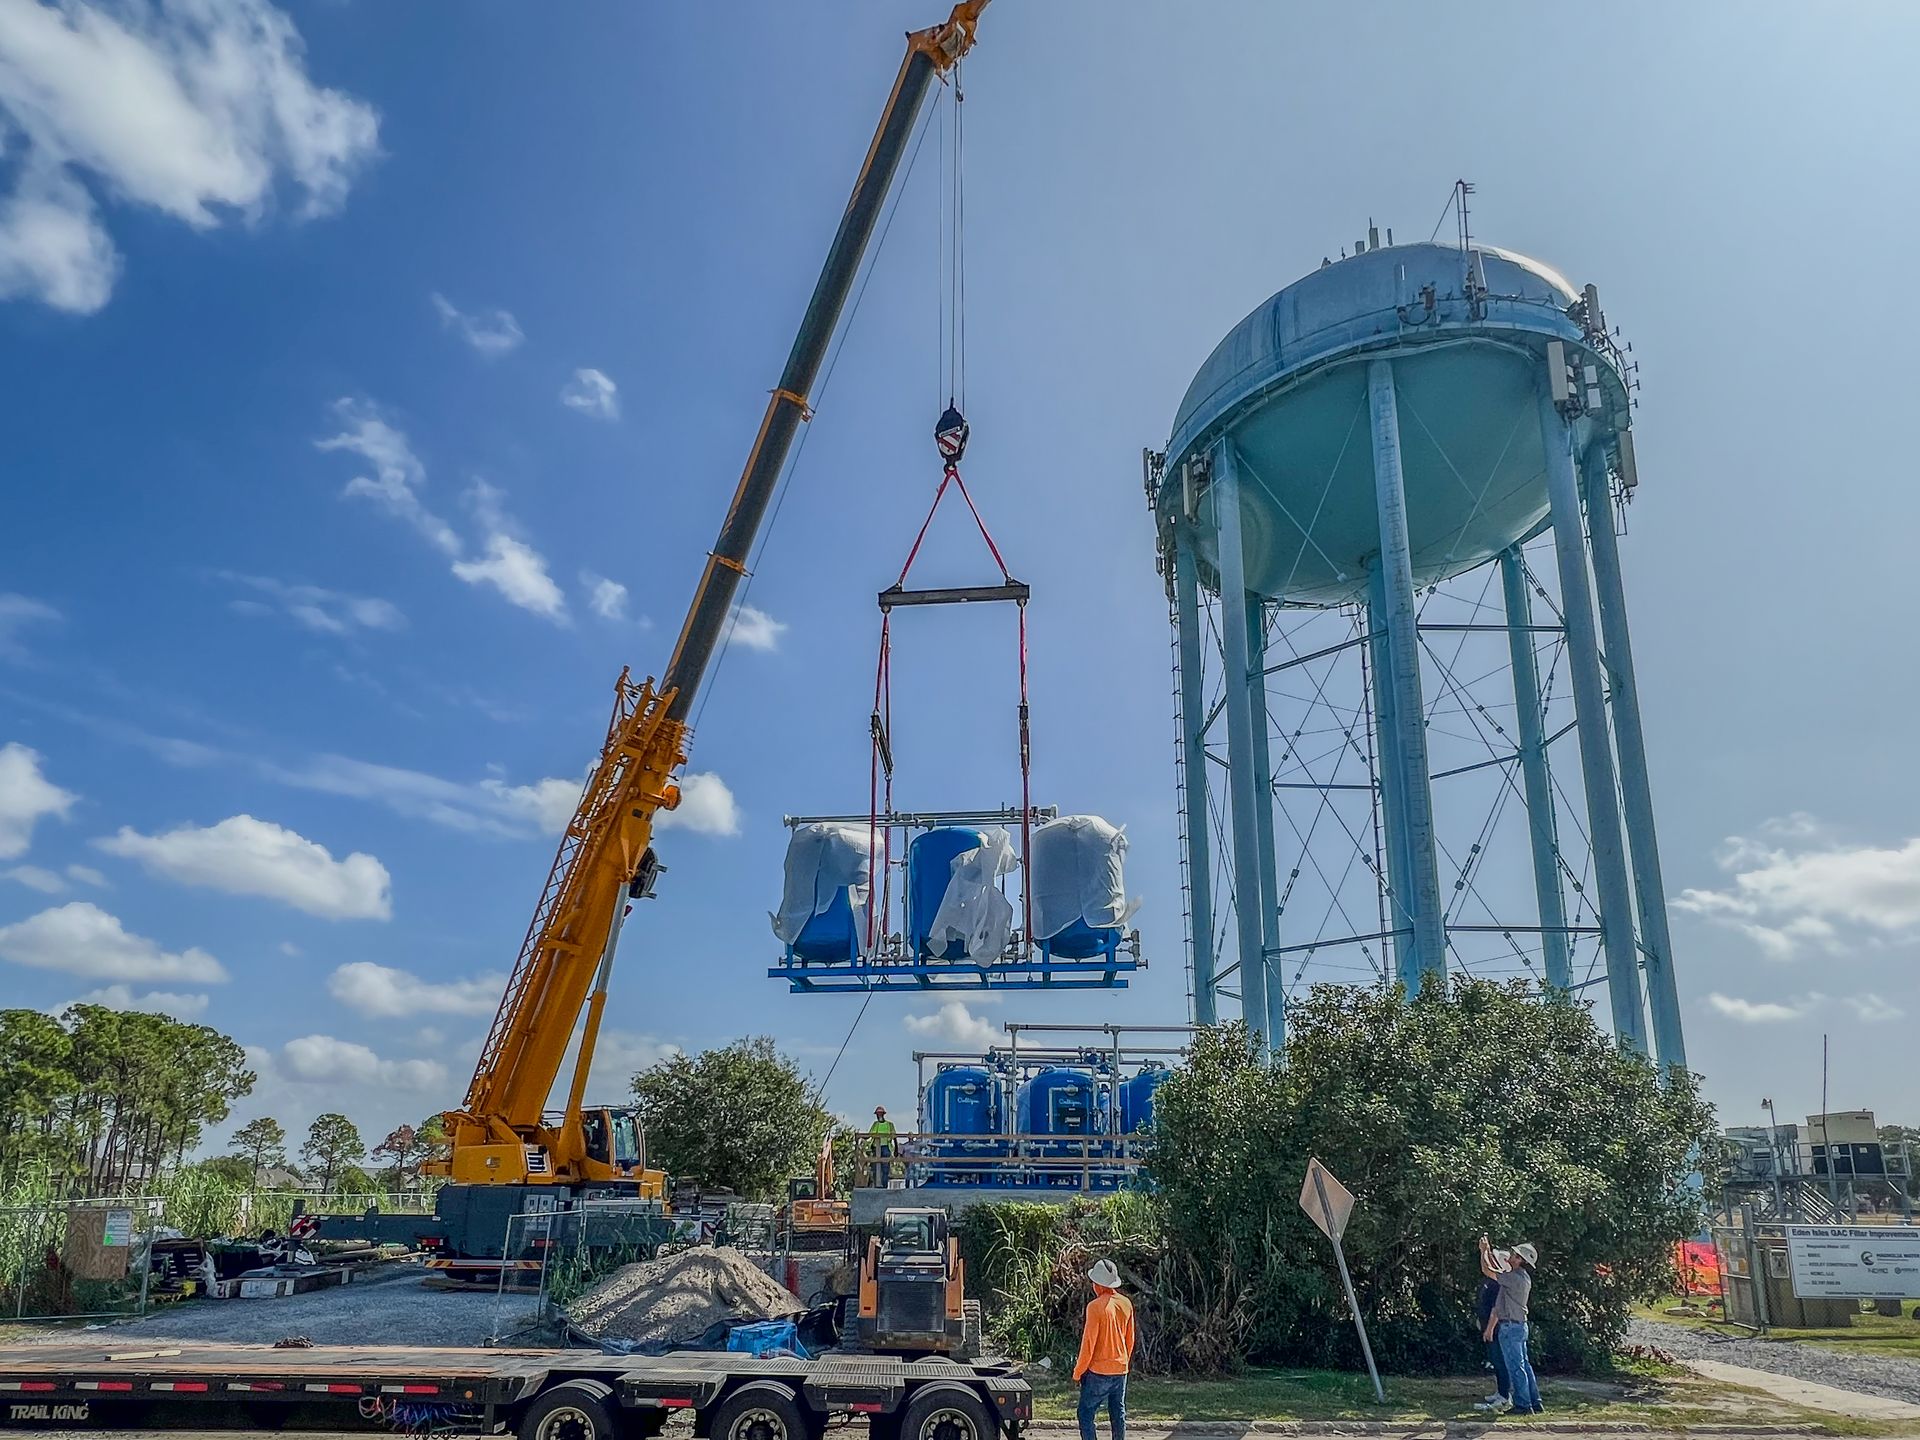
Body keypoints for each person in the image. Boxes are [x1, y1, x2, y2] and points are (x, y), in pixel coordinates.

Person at [1479, 1237, 1541, 1416]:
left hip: (1510, 1327)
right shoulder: (1520, 1277)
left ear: (1520, 1260)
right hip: (1519, 1326)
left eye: (1514, 1255)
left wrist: (1483, 1251)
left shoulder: (1513, 1278)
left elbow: (1487, 1270)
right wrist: (1488, 1251)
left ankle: (1523, 1404)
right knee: (1524, 1365)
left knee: (1515, 1367)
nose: (1511, 1256)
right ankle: (1534, 1401)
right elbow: (1497, 1270)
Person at [1074, 1258, 1134, 1440]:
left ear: (1098, 1285)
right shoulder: (1126, 1304)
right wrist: (1123, 1361)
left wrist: (1078, 1372)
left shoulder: (1094, 1307)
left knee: (1085, 1413)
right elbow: (1130, 1340)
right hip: (1121, 1369)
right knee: (1118, 1412)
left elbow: (1088, 1344)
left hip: (1099, 1371)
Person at [1472, 1246, 1512, 1411]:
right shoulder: (1494, 1280)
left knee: (1500, 1361)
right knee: (1495, 1361)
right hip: (1488, 1325)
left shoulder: (1500, 1282)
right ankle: (1500, 1391)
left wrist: (1489, 1328)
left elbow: (1497, 1309)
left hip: (1496, 1327)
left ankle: (1504, 1396)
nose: (1491, 1261)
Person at [869, 1105, 898, 1185]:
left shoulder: (889, 1124)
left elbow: (894, 1137)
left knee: (885, 1167)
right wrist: (860, 1138)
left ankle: (884, 1185)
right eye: (877, 1114)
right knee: (875, 1167)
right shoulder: (875, 1124)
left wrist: (896, 1149)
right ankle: (877, 1185)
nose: (878, 1115)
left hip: (886, 1147)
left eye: (880, 1114)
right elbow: (869, 1135)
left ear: (883, 1114)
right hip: (876, 1147)